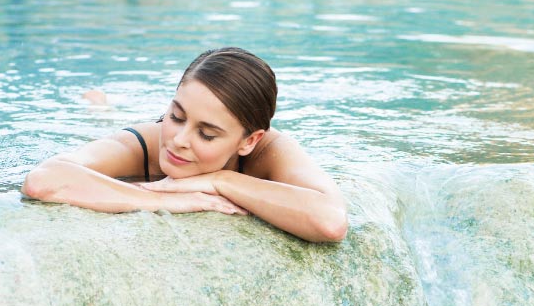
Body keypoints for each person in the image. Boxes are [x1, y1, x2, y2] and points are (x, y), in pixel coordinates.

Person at [21, 47, 348, 243]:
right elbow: (42, 180)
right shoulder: (147, 143)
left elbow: (331, 221)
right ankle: (100, 107)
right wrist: (162, 200)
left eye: (206, 134)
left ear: (249, 141)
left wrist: (221, 180)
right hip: (123, 136)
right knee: (101, 120)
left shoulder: (270, 152)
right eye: (177, 116)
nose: (178, 141)